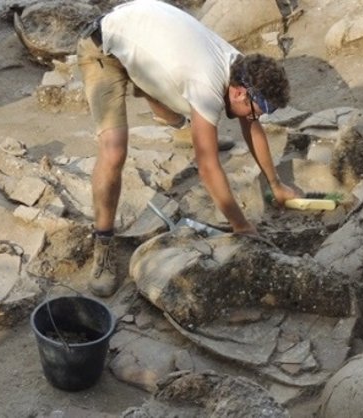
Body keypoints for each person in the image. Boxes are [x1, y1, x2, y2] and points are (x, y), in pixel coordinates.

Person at [77, 0, 299, 297]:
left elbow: (251, 126)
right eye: (258, 108)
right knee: (114, 150)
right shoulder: (206, 83)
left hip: (144, 29)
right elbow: (207, 168)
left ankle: (184, 126)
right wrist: (241, 226)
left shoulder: (242, 67)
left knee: (178, 103)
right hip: (103, 48)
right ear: (238, 91)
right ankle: (103, 244)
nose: (257, 116)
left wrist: (276, 183)